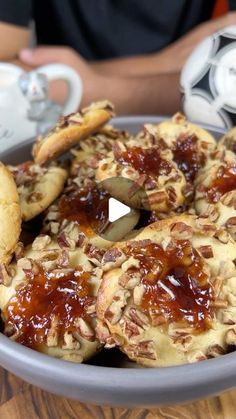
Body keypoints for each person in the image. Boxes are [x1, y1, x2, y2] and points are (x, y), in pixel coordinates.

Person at [0, 0, 235, 114]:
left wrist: (86, 88)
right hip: (55, 133)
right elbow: (6, 82)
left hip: (190, 130)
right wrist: (167, 64)